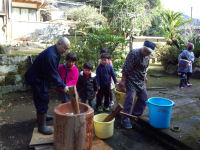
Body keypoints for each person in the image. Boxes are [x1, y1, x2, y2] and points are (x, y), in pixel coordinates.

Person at [25, 37, 70, 135]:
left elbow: (53, 70)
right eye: (65, 48)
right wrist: (63, 85)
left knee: (43, 98)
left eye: (67, 49)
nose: (65, 51)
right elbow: (53, 73)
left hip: (42, 77)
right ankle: (41, 126)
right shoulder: (50, 55)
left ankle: (42, 117)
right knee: (42, 99)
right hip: (37, 78)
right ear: (58, 43)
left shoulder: (56, 52)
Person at [120, 40, 156, 129]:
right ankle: (125, 119)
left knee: (144, 98)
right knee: (130, 99)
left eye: (149, 52)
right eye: (145, 50)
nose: (146, 53)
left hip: (140, 80)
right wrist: (123, 81)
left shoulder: (147, 56)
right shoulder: (134, 53)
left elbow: (145, 69)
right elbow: (126, 68)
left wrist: (145, 77)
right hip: (131, 80)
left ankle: (135, 115)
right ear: (143, 47)